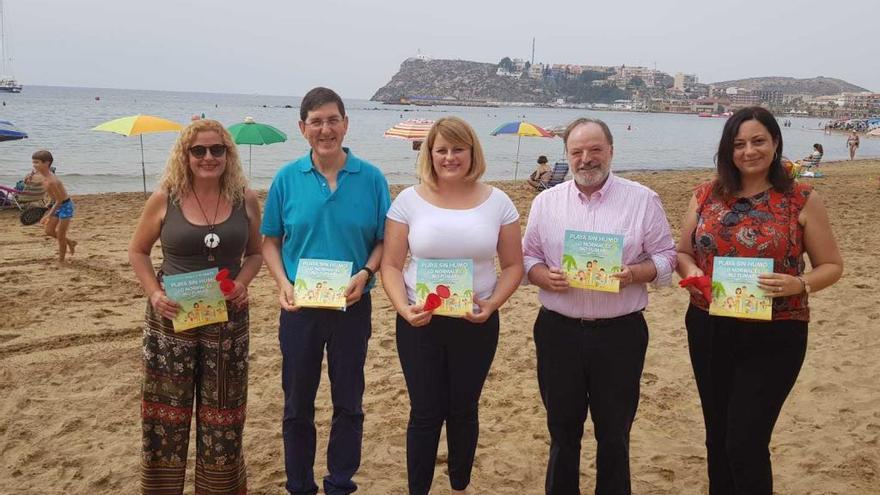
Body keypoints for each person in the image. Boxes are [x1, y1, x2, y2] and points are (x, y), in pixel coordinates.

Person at [675, 106, 843, 494]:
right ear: (727, 150)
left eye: (758, 141)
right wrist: (693, 275)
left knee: (746, 442)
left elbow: (832, 265)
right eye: (739, 144)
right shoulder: (706, 194)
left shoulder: (800, 198)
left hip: (777, 332)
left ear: (775, 143)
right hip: (710, 326)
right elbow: (682, 253)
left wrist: (798, 284)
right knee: (717, 437)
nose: (748, 151)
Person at [522, 118, 677, 494]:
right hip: (559, 330)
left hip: (620, 333)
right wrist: (544, 276)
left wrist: (635, 273)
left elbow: (667, 258)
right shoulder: (546, 202)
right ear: (567, 156)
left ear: (611, 151)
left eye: (594, 150)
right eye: (577, 152)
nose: (586, 159)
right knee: (562, 432)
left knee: (615, 434)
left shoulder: (642, 199)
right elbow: (527, 258)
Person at [381, 116, 524, 494]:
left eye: (457, 148)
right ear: (429, 154)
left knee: (464, 409)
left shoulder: (499, 202)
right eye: (441, 149)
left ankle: (459, 484)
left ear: (472, 151)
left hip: (475, 322)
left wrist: (492, 304)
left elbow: (513, 266)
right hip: (420, 322)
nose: (449, 157)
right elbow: (391, 265)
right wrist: (402, 307)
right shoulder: (408, 200)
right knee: (425, 412)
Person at [261, 87, 391, 495]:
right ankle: (300, 485)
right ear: (302, 128)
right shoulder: (286, 178)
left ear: (346, 124)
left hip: (353, 306)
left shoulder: (371, 178)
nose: (325, 129)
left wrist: (367, 272)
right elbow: (269, 240)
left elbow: (386, 240)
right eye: (316, 121)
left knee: (348, 402)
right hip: (300, 309)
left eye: (333, 120)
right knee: (297, 404)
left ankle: (340, 483)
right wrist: (283, 283)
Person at [128, 119, 263, 494]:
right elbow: (137, 252)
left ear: (228, 154)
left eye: (217, 149)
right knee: (164, 414)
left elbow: (255, 254)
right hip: (170, 321)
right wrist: (154, 293)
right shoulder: (164, 197)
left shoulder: (245, 198)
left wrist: (241, 283)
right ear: (185, 155)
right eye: (198, 150)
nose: (208, 157)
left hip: (228, 321)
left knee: (224, 416)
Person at [32, 150, 77, 264]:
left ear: (46, 163)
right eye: (33, 162)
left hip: (65, 206)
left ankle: (61, 261)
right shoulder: (42, 176)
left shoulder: (52, 181)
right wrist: (48, 205)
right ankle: (70, 242)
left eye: (37, 162)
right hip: (56, 204)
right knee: (49, 231)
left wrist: (48, 215)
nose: (34, 165)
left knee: (61, 236)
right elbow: (53, 197)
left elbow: (60, 200)